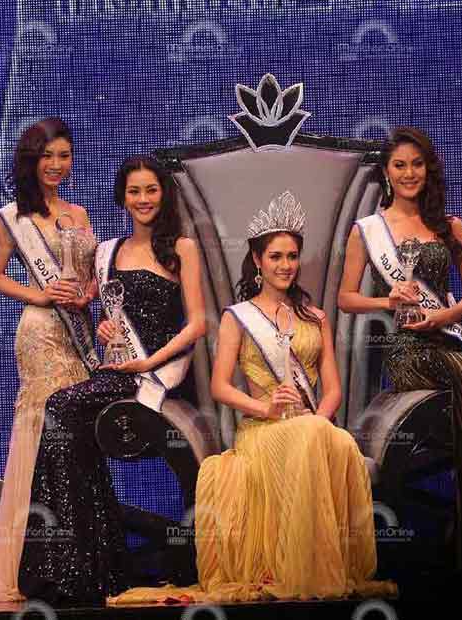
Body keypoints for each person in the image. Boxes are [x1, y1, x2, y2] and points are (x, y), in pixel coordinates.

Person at [108, 191, 398, 604]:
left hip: (312, 426)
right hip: (261, 431)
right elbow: (220, 387)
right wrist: (266, 407)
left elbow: (332, 388)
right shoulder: (238, 317)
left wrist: (318, 417)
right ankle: (301, 574)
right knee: (317, 437)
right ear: (258, 261)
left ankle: (318, 568)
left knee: (331, 438)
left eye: (292, 256)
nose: (285, 265)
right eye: (276, 256)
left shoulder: (316, 318)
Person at [338, 126, 462, 572]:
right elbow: (345, 298)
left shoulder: (450, 226)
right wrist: (387, 301)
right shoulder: (368, 231)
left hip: (447, 336)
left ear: (428, 170)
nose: (409, 173)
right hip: (408, 349)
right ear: (386, 172)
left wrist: (446, 316)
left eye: (417, 164)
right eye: (399, 165)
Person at [17, 154, 206, 605]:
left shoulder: (182, 248)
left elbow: (198, 323)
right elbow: (110, 316)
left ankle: (78, 565)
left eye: (151, 190)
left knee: (62, 407)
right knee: (65, 424)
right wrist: (104, 327)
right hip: (118, 367)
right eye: (134, 191)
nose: (143, 199)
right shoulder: (108, 251)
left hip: (157, 372)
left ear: (164, 194)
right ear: (122, 197)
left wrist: (149, 361)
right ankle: (89, 566)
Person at [0, 118, 97, 604]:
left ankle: (78, 555)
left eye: (64, 156)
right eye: (47, 156)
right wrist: (39, 294)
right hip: (40, 336)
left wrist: (87, 295)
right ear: (31, 161)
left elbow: (92, 275)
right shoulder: (14, 217)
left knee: (75, 439)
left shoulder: (79, 213)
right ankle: (30, 560)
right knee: (41, 436)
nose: (56, 165)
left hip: (77, 333)